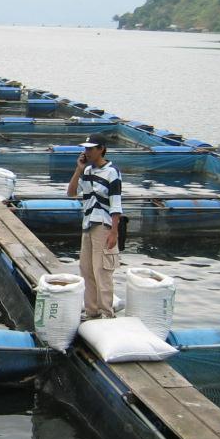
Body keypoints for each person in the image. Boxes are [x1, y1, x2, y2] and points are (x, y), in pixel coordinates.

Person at [67, 133, 122, 319]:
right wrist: (78, 169)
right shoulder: (87, 171)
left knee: (102, 271)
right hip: (87, 225)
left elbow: (116, 203)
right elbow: (71, 193)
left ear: (101, 149)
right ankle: (92, 311)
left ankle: (106, 312)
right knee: (87, 269)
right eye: (85, 149)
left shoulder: (112, 172)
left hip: (103, 225)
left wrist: (114, 231)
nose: (87, 152)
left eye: (91, 149)